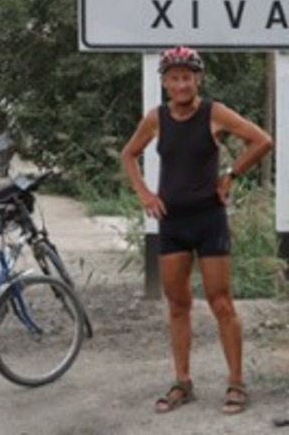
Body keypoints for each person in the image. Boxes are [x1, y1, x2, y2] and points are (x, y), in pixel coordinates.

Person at [120, 46, 273, 415]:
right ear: (165, 82)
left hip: (209, 220)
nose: (181, 83)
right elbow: (129, 154)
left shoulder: (213, 113)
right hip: (172, 221)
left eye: (187, 77)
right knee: (177, 305)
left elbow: (262, 140)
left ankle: (236, 383)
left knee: (221, 302)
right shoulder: (156, 118)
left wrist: (231, 175)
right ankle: (182, 381)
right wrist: (144, 193)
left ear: (197, 79)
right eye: (174, 78)